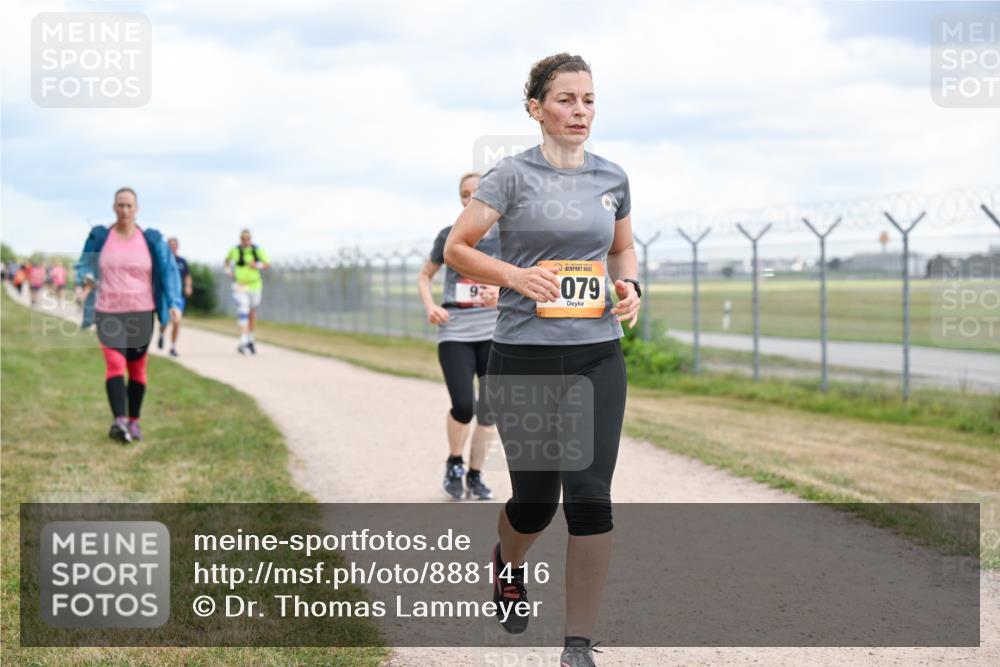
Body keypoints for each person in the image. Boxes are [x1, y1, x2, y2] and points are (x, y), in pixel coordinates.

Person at [444, 53, 640, 667]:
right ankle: (507, 562)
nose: (579, 110)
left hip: (596, 358)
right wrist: (516, 277)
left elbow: (623, 250)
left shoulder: (612, 179)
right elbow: (458, 248)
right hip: (524, 357)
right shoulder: (510, 177)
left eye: (588, 99)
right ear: (536, 108)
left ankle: (577, 643)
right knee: (536, 502)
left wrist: (631, 287)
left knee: (589, 498)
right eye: (565, 100)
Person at [74, 187, 182, 443]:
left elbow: (168, 272)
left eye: (129, 206)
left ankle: (134, 421)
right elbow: (84, 265)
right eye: (120, 205)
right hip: (108, 312)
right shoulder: (100, 237)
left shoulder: (151, 240)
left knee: (137, 368)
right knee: (115, 364)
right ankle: (119, 421)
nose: (124, 210)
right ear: (114, 208)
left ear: (137, 209)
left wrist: (174, 303)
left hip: (142, 312)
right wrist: (84, 281)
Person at [417, 171, 501, 501]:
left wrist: (503, 292)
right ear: (461, 200)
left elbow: (526, 279)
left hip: (495, 330)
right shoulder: (449, 235)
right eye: (465, 194)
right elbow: (425, 276)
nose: (470, 198)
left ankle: (476, 475)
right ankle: (454, 462)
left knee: (489, 410)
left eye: (477, 193)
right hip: (455, 329)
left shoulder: (509, 237)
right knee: (464, 405)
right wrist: (430, 306)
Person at [224, 229, 270, 355]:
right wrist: (228, 272)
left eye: (248, 239)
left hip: (255, 285)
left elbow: (267, 264)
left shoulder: (257, 250)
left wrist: (257, 265)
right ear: (241, 239)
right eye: (244, 239)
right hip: (240, 285)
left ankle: (250, 338)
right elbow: (226, 261)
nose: (246, 241)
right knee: (243, 310)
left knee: (251, 313)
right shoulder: (235, 250)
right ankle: (243, 341)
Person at [158, 237, 193, 357]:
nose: (172, 247)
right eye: (170, 245)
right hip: (164, 296)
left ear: (177, 247)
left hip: (178, 297)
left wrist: (188, 286)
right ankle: (162, 333)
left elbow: (188, 276)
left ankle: (173, 347)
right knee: (165, 320)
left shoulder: (182, 262)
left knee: (177, 321)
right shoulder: (162, 260)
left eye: (174, 245)